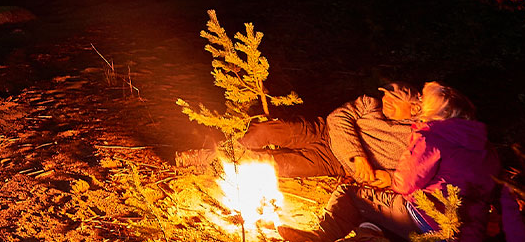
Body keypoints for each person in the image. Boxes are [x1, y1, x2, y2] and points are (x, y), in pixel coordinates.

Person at [280, 82, 525, 242]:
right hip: (466, 233)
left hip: (428, 221)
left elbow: (405, 184)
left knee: (353, 193)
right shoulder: (487, 148)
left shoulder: (432, 135)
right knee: (379, 212)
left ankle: (316, 237)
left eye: (425, 101)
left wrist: (388, 178)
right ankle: (369, 234)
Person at [179, 82, 419, 181]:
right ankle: (210, 154)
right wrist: (359, 157)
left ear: (414, 108)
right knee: (263, 131)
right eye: (386, 94)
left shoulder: (418, 139)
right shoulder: (370, 103)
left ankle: (210, 162)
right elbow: (337, 119)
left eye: (395, 98)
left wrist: (384, 177)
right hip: (320, 131)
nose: (386, 99)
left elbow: (408, 175)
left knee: (273, 166)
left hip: (333, 162)